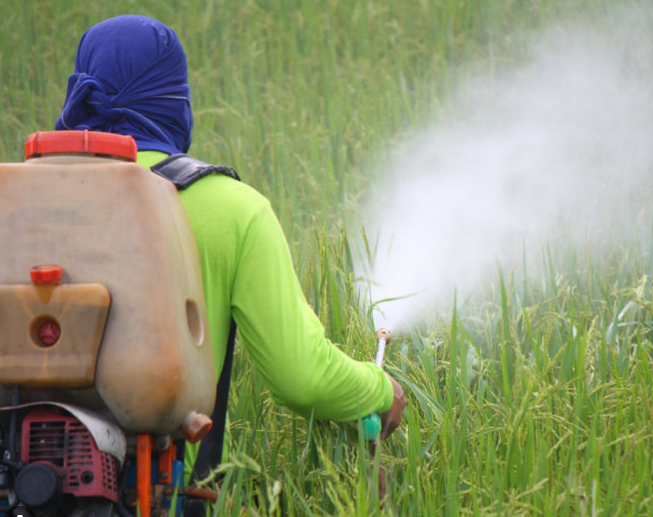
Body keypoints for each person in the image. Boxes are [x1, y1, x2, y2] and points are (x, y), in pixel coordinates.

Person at [54, 13, 406, 497]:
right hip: (165, 497)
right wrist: (379, 390)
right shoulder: (231, 208)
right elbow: (301, 376)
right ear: (172, 97)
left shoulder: (23, 198)